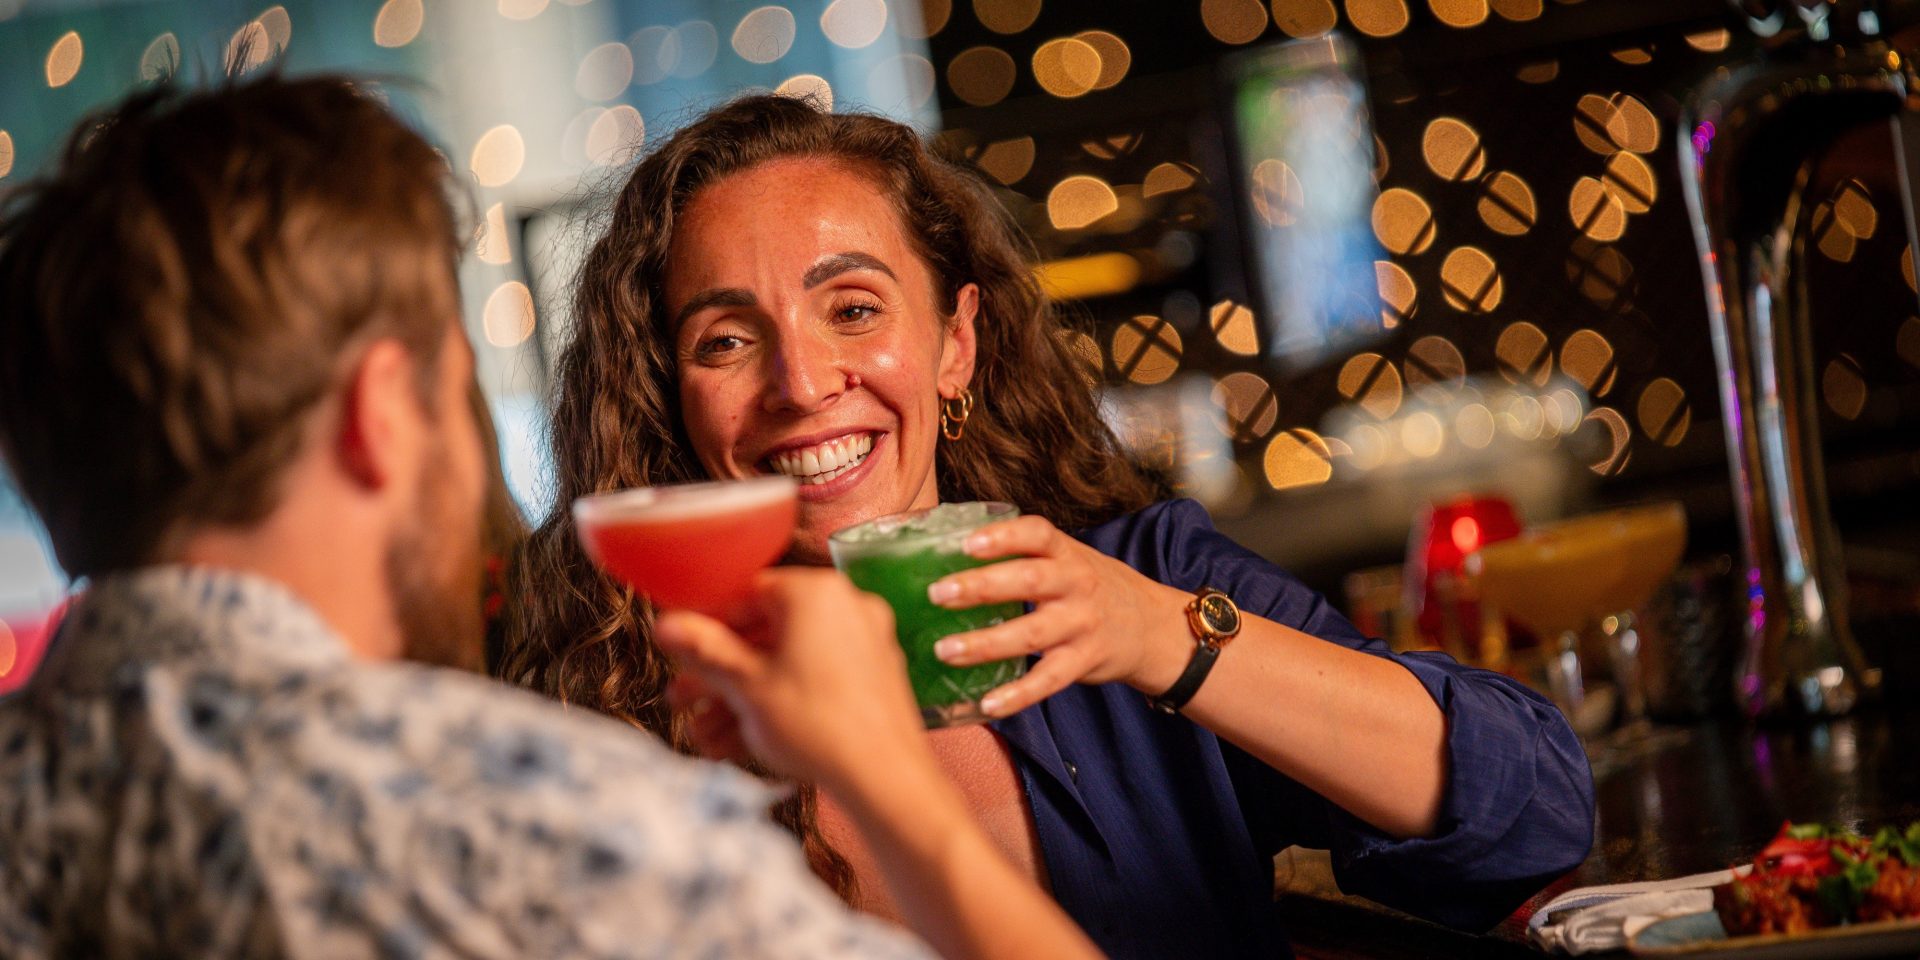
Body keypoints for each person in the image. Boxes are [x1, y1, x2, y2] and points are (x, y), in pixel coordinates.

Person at [0, 76, 1100, 960]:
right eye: (453, 381)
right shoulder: (556, 830)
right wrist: (891, 784)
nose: (804, 384)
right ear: (385, 413)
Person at [503, 93, 1598, 958]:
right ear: (670, 403)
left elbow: (1534, 819)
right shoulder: (630, 721)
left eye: (854, 309)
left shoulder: (1141, 580)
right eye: (727, 342)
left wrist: (1161, 636)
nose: (803, 381)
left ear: (955, 343)